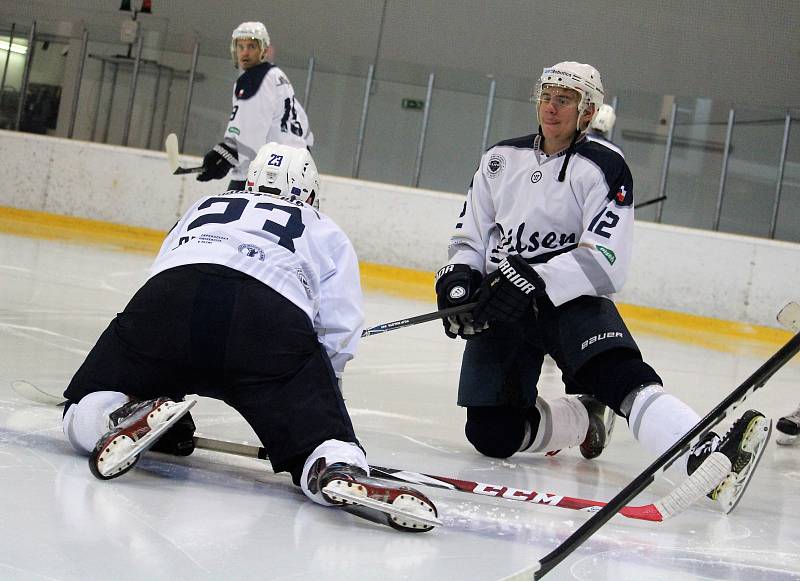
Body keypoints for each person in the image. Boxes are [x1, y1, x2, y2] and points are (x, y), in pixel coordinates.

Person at [434, 61, 770, 512]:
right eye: (547, 96)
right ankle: (585, 418)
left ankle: (705, 456)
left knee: (623, 381)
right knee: (491, 437)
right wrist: (458, 279)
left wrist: (535, 277)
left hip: (569, 301)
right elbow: (469, 236)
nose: (552, 107)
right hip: (506, 305)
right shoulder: (499, 158)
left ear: (588, 112)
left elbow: (605, 260)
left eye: (565, 99)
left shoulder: (605, 165)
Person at [61, 143, 437, 532]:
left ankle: (116, 413)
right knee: (320, 441)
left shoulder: (204, 205)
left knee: (78, 408)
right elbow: (339, 328)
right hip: (266, 324)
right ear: (309, 191)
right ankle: (334, 466)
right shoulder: (323, 227)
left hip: (170, 303)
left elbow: (164, 270)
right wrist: (322, 392)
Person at [197, 22, 314, 191]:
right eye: (240, 46)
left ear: (263, 50)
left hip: (263, 174)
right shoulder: (277, 76)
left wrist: (225, 154)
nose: (245, 52)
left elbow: (250, 130)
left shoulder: (254, 79)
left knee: (234, 216)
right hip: (294, 173)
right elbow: (305, 131)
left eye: (251, 46)